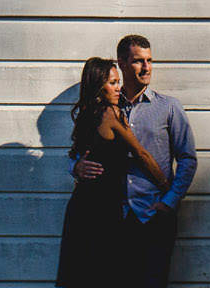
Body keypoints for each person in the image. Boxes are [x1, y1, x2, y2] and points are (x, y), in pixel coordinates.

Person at [72, 34, 197, 288]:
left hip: (153, 213)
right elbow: (79, 150)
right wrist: (75, 167)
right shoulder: (104, 108)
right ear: (122, 63)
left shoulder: (169, 107)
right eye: (139, 61)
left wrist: (169, 201)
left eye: (150, 60)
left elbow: (187, 159)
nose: (147, 67)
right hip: (112, 218)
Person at [54, 56, 168, 288]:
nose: (119, 87)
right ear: (98, 86)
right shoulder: (110, 114)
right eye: (113, 83)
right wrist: (167, 187)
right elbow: (141, 154)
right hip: (100, 208)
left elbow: (79, 154)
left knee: (86, 275)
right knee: (106, 274)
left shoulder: (87, 114)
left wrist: (76, 167)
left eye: (118, 82)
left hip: (85, 206)